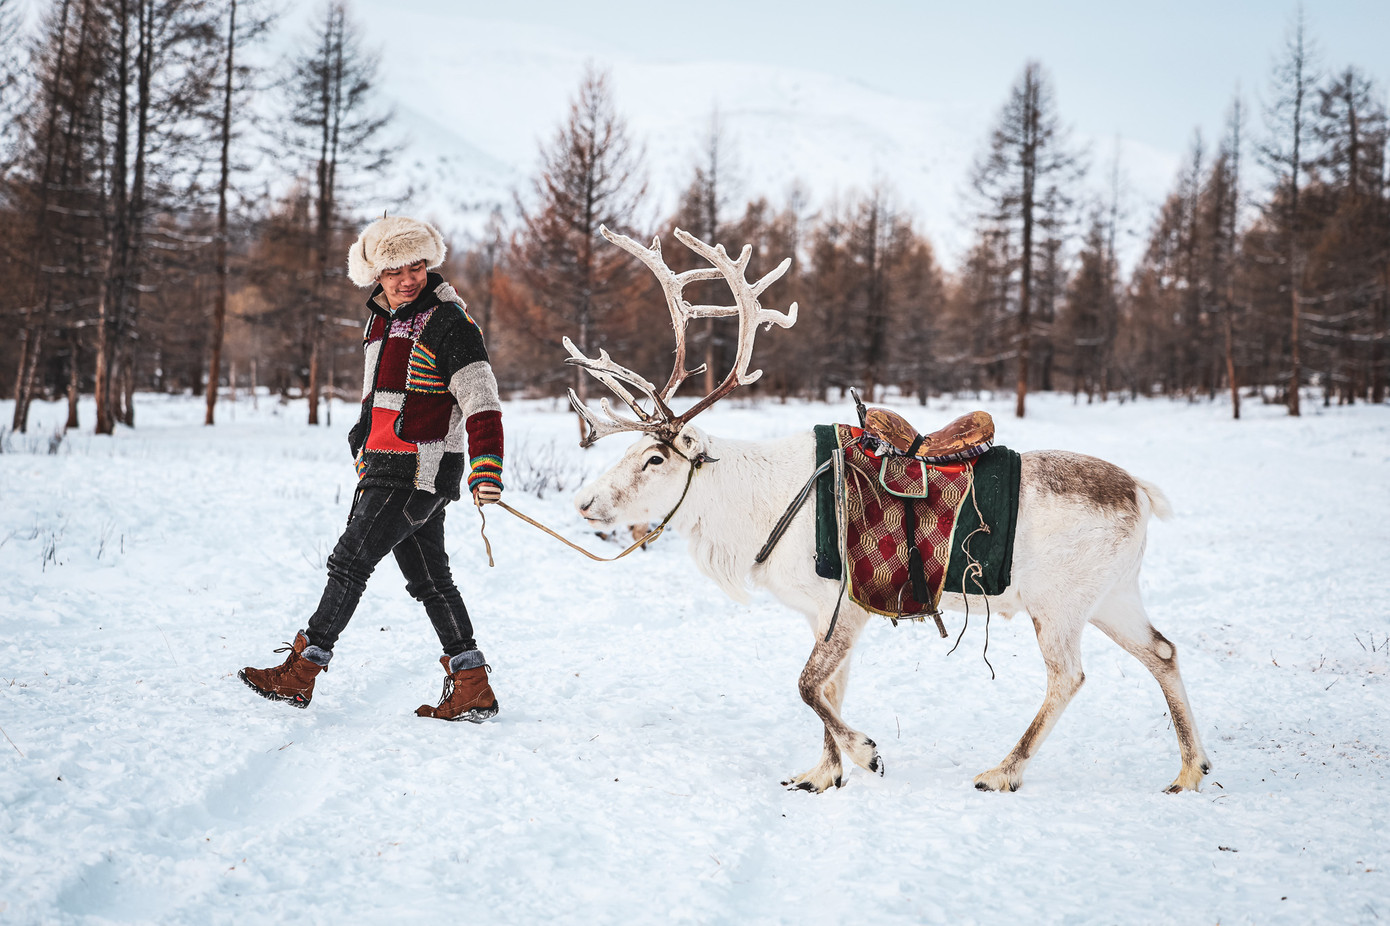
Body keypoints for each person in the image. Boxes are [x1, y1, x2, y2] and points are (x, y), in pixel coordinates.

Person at [240, 216, 504, 722]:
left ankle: (301, 673)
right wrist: (362, 440)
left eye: (417, 266)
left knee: (349, 562)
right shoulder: (379, 322)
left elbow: (481, 397)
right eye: (393, 270)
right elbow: (375, 397)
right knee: (431, 581)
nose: (407, 279)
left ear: (429, 264)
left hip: (417, 469)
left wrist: (486, 465)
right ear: (374, 275)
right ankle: (473, 683)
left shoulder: (451, 322)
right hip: (382, 464)